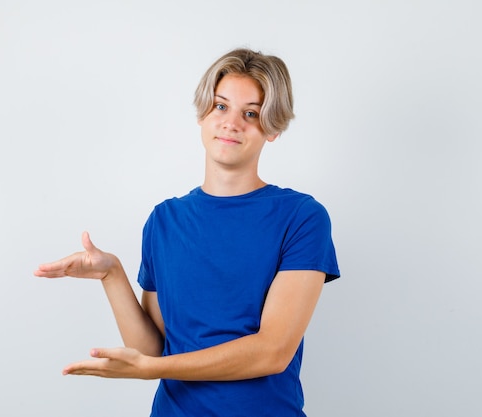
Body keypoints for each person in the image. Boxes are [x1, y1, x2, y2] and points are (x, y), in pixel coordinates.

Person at [34, 47, 340, 416]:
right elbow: (150, 350)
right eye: (220, 106)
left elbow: (272, 351)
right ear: (202, 115)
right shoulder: (165, 220)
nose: (231, 123)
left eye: (251, 113)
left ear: (272, 128)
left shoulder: (302, 217)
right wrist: (111, 274)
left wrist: (153, 370)